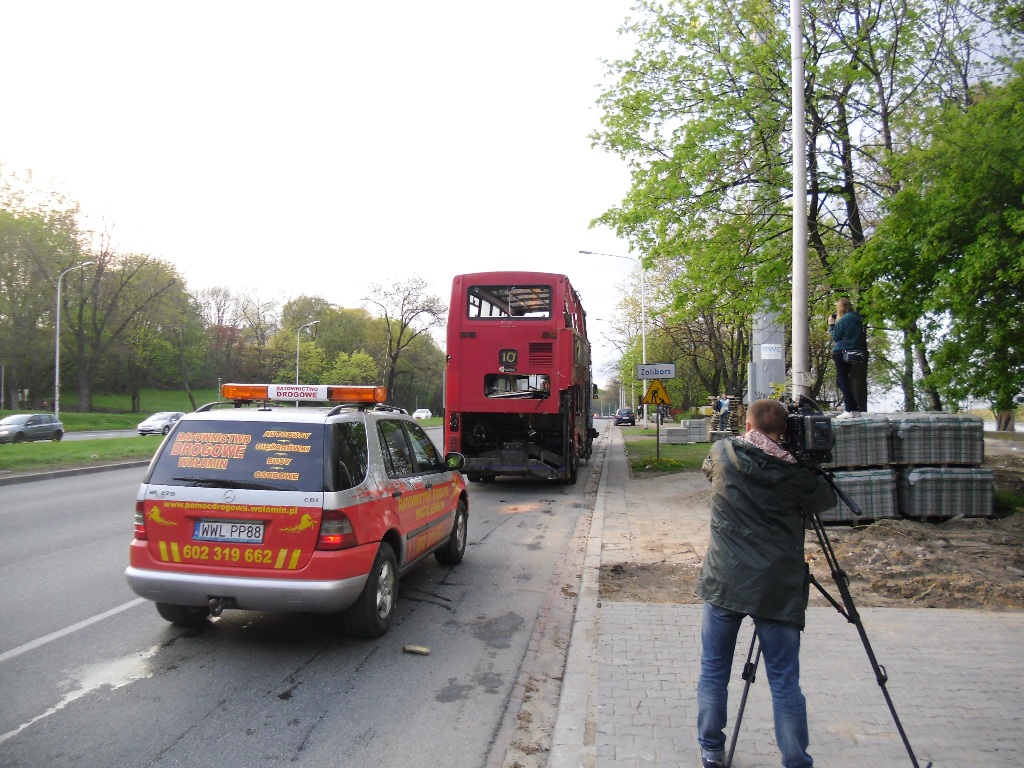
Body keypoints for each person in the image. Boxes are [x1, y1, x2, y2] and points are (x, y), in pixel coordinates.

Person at [696, 398, 837, 768]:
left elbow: (709, 471)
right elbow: (825, 500)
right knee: (784, 681)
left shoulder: (723, 452)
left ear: (746, 423)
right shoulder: (795, 473)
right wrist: (805, 464)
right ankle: (795, 760)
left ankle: (711, 751)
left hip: (724, 581)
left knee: (714, 670)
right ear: (786, 431)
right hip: (776, 586)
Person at [828, 297, 865, 420]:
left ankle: (849, 409)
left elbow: (836, 336)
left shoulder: (843, 320)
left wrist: (832, 325)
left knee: (843, 380)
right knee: (842, 381)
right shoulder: (857, 319)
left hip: (841, 352)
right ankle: (854, 408)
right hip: (853, 351)